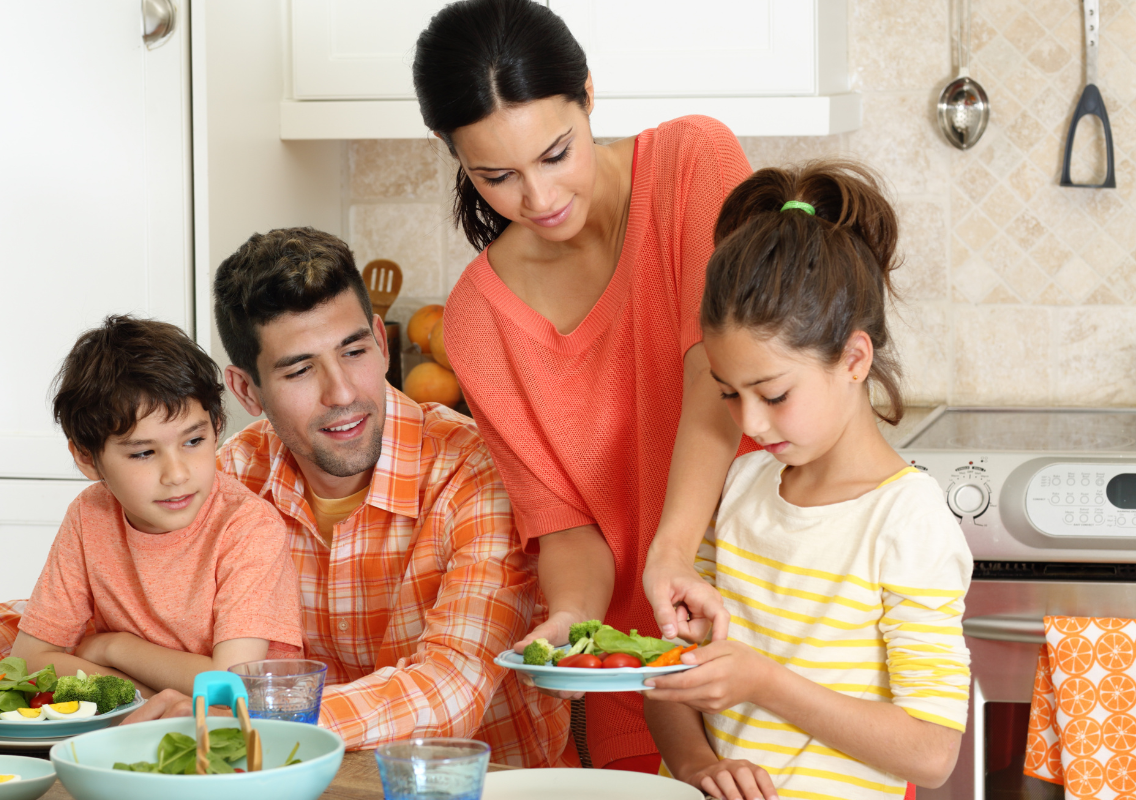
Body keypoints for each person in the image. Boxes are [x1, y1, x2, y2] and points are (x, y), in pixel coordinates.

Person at [412, 0, 755, 770]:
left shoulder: (694, 162)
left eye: (556, 153)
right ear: (453, 153)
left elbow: (718, 376)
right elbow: (566, 524)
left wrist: (669, 552)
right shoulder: (477, 319)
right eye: (496, 176)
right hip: (646, 671)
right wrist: (571, 617)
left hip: (788, 618)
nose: (538, 199)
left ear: (589, 95)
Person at [126, 227, 569, 767]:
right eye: (300, 369)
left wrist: (240, 719)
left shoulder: (476, 473)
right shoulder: (232, 477)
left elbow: (448, 691)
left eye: (354, 351)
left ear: (381, 344)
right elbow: (102, 592)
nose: (342, 394)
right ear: (246, 391)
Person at [642, 162, 972, 800]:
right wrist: (694, 765)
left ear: (854, 358)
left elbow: (932, 753)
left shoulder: (906, 519)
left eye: (773, 394)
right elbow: (670, 678)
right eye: (729, 395)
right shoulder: (738, 488)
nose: (752, 422)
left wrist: (762, 682)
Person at [11, 315, 303, 697]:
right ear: (86, 457)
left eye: (193, 441)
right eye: (144, 452)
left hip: (241, 738)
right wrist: (143, 694)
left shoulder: (248, 526)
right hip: (137, 729)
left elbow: (228, 686)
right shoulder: (88, 515)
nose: (177, 474)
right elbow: (29, 661)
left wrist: (114, 648)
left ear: (216, 426)